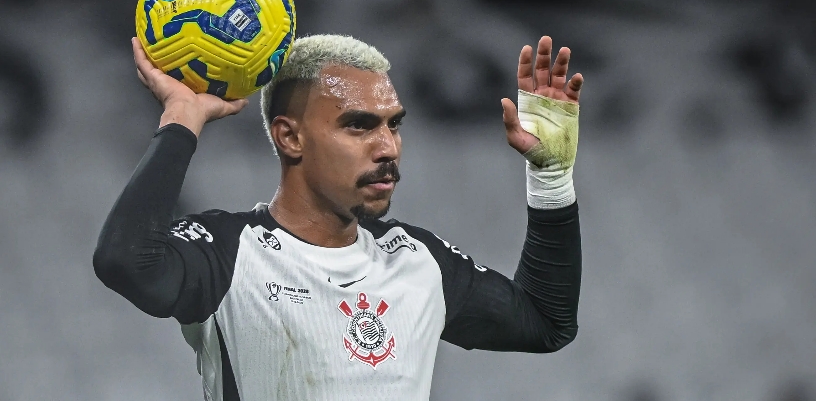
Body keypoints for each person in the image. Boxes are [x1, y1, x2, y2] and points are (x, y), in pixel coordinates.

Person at [94, 33, 584, 401]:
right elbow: (124, 262)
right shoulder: (227, 254)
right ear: (290, 138)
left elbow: (545, 323)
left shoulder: (416, 260)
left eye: (394, 125)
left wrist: (551, 179)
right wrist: (181, 116)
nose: (387, 147)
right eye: (359, 126)